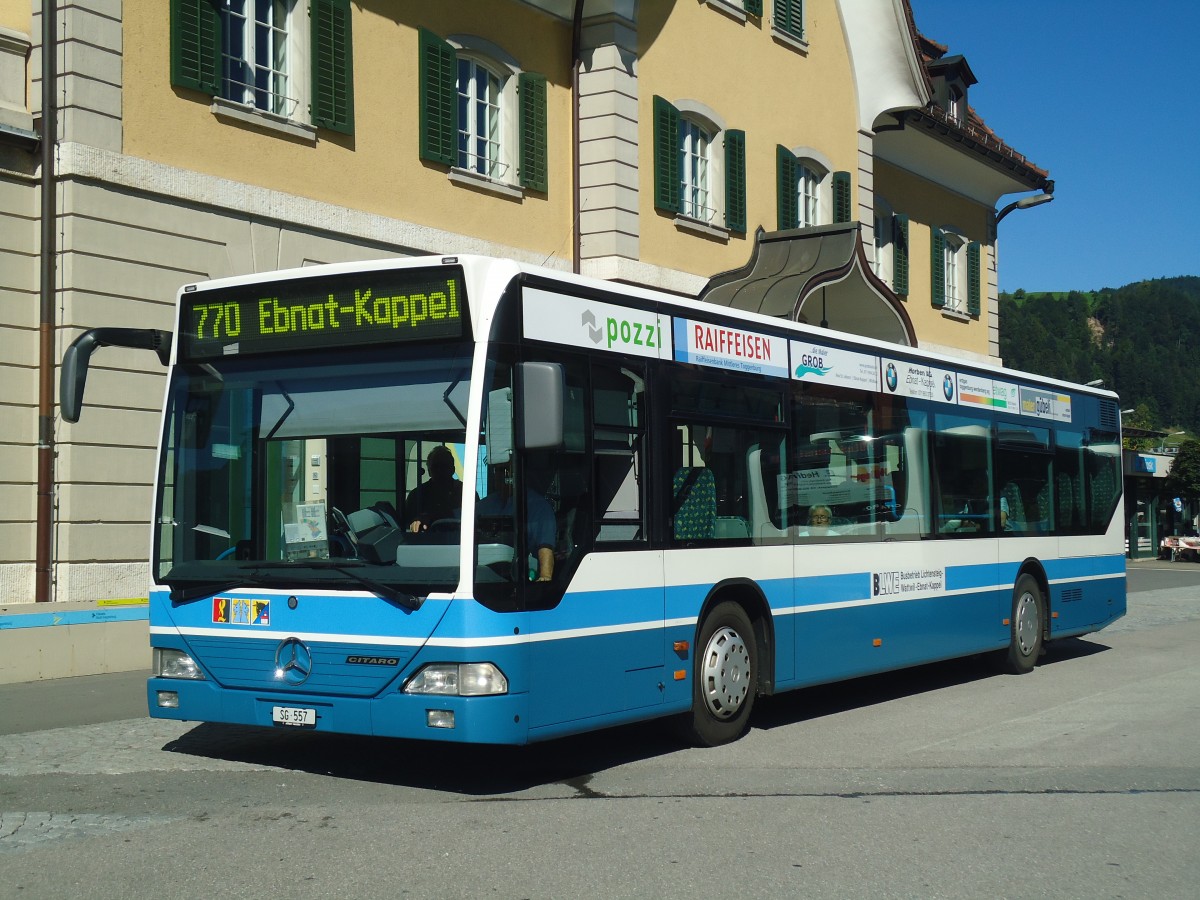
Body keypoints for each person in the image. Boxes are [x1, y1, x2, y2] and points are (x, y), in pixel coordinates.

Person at [477, 466, 556, 581]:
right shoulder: (486, 504)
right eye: (498, 471)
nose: (500, 476)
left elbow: (546, 546)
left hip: (521, 578)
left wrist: (545, 576)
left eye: (505, 471)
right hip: (480, 577)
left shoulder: (538, 506)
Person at [406, 446, 464, 532]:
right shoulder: (417, 495)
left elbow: (476, 519)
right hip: (427, 539)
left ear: (453, 469)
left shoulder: (466, 493)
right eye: (436, 467)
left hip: (460, 539)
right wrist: (416, 523)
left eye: (444, 466)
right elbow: (407, 526)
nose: (440, 471)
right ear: (429, 471)